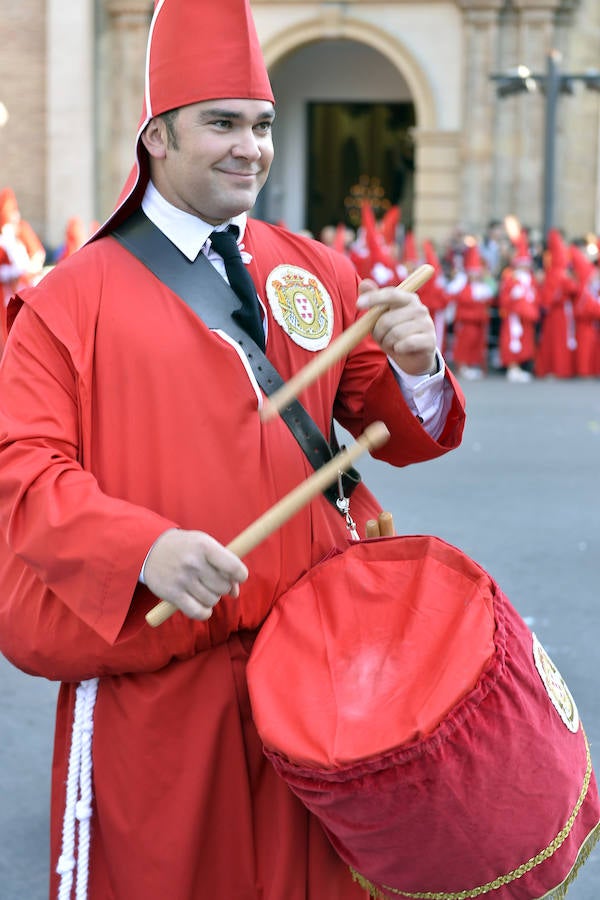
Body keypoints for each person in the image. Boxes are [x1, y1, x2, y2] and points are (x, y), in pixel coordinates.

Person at [0, 2, 466, 898]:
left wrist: (418, 362)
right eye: (220, 123)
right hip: (164, 691)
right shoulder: (70, 300)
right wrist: (142, 548)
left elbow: (402, 432)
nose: (249, 146)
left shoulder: (319, 271)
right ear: (158, 138)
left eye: (261, 125)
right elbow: (25, 474)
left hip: (321, 683)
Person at [497, 231, 540, 382]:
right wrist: (513, 297)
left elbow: (535, 297)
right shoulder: (511, 278)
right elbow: (503, 299)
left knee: (525, 342)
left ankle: (519, 366)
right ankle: (512, 367)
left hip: (527, 316)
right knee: (512, 341)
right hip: (514, 316)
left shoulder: (530, 279)